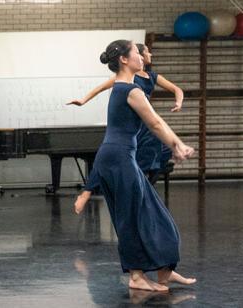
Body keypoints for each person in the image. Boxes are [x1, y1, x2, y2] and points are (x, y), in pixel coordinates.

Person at [86, 39, 197, 291]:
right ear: (124, 60)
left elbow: (155, 122)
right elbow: (155, 123)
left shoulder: (125, 87)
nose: (142, 56)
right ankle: (136, 277)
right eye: (137, 52)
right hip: (118, 159)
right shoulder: (130, 90)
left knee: (154, 214)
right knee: (130, 218)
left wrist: (176, 145)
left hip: (121, 158)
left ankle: (164, 271)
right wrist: (178, 145)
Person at [71, 43, 183, 211]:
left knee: (159, 154)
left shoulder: (152, 76)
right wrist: (83, 100)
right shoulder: (127, 81)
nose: (149, 54)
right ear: (135, 56)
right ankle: (89, 191)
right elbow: (100, 88)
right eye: (144, 52)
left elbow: (177, 89)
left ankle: (143, 191)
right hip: (133, 125)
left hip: (144, 123)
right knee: (111, 156)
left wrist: (178, 102)